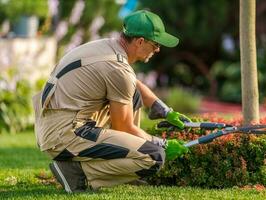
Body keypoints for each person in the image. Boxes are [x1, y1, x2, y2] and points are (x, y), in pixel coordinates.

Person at [32, 10, 190, 193]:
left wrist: (163, 110)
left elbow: (135, 86)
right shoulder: (118, 69)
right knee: (153, 157)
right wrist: (161, 144)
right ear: (140, 41)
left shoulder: (108, 47)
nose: (158, 49)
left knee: (133, 95)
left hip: (55, 123)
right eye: (155, 44)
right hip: (63, 134)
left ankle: (125, 166)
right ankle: (75, 172)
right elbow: (124, 127)